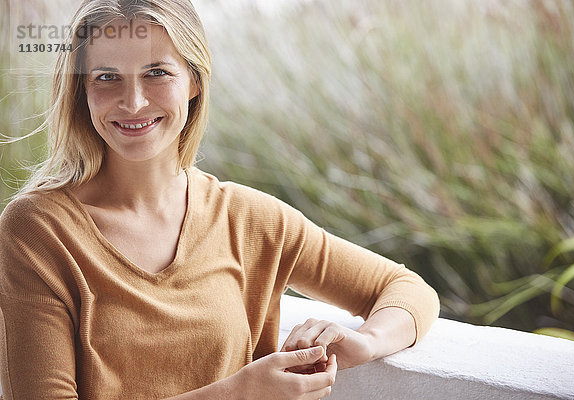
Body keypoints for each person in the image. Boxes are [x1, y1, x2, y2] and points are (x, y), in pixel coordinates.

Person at [0, 0, 440, 398]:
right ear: (82, 91)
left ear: (193, 80)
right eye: (107, 77)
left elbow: (405, 289)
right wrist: (238, 393)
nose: (132, 101)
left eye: (157, 72)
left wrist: (365, 342)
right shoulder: (37, 230)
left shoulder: (247, 218)